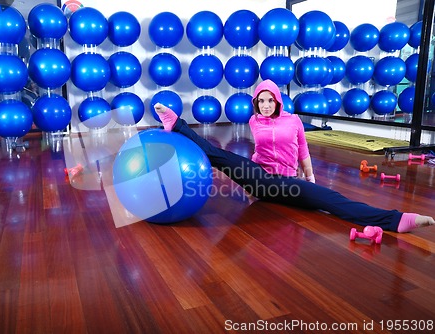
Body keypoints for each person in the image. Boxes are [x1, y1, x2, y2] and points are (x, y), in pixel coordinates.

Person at [153, 79, 434, 233]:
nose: (264, 105)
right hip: (260, 177)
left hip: (286, 182)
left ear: (277, 100)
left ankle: (396, 220)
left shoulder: (294, 120)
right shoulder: (254, 121)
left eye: (269, 100)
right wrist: (250, 185)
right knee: (222, 156)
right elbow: (259, 151)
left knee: (331, 200)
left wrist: (310, 177)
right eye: (259, 101)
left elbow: (302, 150)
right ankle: (177, 124)